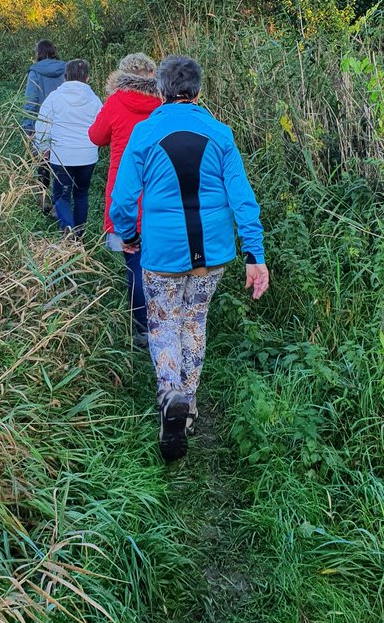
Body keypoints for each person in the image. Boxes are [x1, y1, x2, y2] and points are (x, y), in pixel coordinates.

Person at [110, 55, 269, 462]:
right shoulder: (221, 134)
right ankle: (189, 404)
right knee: (194, 320)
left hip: (161, 252)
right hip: (212, 252)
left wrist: (128, 235)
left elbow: (123, 200)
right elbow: (242, 199)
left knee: (163, 323)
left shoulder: (144, 134)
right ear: (198, 92)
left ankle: (170, 395)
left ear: (160, 91)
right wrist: (255, 254)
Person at [88, 53, 161, 350]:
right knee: (159, 263)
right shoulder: (163, 106)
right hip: (159, 192)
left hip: (125, 194)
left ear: (122, 74)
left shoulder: (115, 102)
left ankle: (142, 328)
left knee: (134, 264)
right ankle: (164, 323)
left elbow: (96, 136)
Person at [35, 59, 102, 235]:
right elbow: (101, 127)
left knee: (61, 196)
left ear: (65, 76)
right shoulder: (95, 100)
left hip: (61, 156)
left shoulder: (54, 98)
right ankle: (78, 235)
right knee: (81, 195)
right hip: (87, 156)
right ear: (87, 78)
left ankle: (68, 232)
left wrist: (42, 148)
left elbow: (43, 125)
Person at [23, 39, 66, 195]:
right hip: (64, 123)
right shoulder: (66, 69)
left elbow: (31, 100)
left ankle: (43, 198)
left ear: (38, 53)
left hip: (42, 123)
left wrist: (28, 127)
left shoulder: (35, 72)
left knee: (43, 163)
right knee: (62, 165)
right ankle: (59, 203)